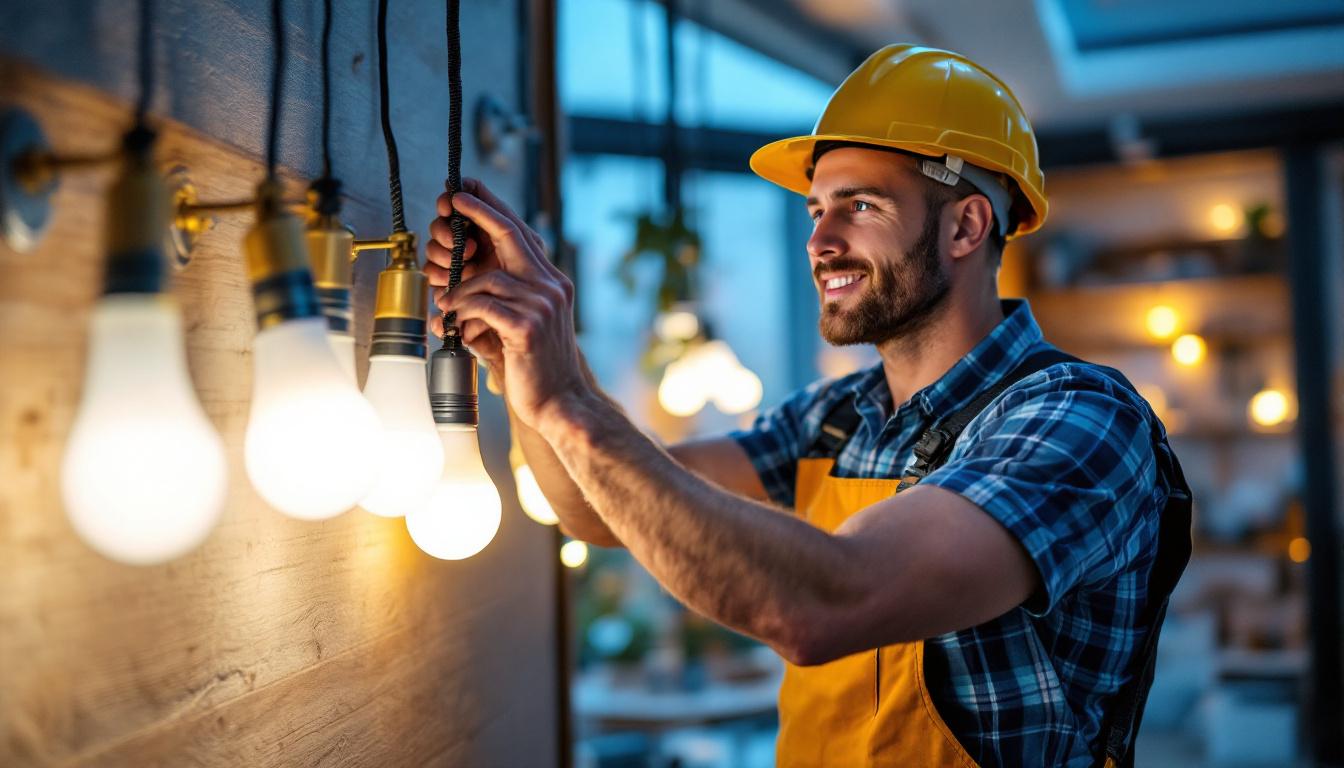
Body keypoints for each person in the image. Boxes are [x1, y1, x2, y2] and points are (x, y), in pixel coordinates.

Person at [423, 44, 1190, 768]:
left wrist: (569, 399)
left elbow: (828, 601)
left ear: (965, 225)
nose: (819, 239)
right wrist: (521, 367)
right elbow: (596, 510)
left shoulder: (1080, 420)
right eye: (815, 210)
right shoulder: (835, 418)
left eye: (858, 206)